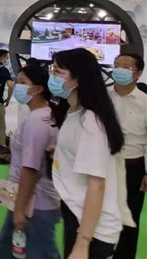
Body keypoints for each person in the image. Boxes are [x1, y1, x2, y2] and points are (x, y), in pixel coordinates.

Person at [50, 48, 125, 259]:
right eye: (52, 70)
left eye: (58, 72)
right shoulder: (73, 112)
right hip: (77, 214)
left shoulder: (90, 121)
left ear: (79, 78)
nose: (52, 77)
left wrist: (83, 241)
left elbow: (96, 184)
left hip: (91, 228)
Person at [0, 64, 60, 259]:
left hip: (35, 202)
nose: (18, 86)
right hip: (31, 198)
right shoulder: (43, 115)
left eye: (23, 82)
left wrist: (20, 209)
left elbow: (31, 169)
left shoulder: (37, 120)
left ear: (38, 89)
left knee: (39, 253)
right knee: (7, 247)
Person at [109, 53, 147, 259]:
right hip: (103, 164)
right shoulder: (102, 98)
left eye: (126, 67)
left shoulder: (145, 102)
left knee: (129, 219)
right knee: (97, 214)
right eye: (117, 65)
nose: (119, 70)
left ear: (138, 73)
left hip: (133, 166)